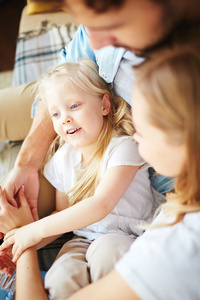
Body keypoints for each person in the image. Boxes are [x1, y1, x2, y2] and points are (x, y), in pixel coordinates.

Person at [4, 45, 199, 300]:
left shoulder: (124, 147)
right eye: (55, 113)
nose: (64, 118)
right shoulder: (63, 160)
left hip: (123, 234)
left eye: (74, 106)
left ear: (104, 105)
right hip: (81, 238)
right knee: (60, 276)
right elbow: (62, 214)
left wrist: (31, 231)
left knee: (108, 253)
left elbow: (101, 204)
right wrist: (22, 244)